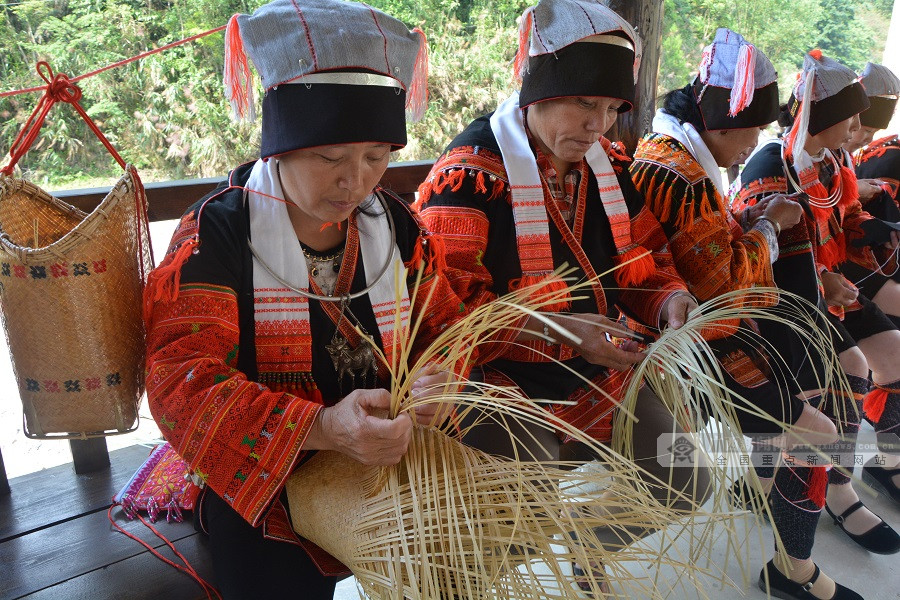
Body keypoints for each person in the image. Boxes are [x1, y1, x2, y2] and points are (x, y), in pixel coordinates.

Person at [142, 1, 462, 597]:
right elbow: (180, 381)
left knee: (457, 553)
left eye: (376, 157)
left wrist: (434, 381)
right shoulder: (215, 234)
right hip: (260, 476)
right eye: (329, 157)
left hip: (385, 464)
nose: (356, 182)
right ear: (280, 147)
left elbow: (446, 330)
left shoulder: (398, 227)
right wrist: (323, 428)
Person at [415, 0, 710, 593]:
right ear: (536, 95)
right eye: (583, 105)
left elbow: (646, 264)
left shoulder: (610, 169)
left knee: (686, 477)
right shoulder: (468, 177)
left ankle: (587, 543)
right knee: (526, 506)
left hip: (595, 366)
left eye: (608, 109)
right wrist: (560, 330)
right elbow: (445, 319)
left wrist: (670, 301)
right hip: (492, 380)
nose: (597, 126)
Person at [631, 29, 874, 600]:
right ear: (721, 119)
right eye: (754, 127)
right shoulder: (683, 174)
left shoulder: (681, 158)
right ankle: (796, 570)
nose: (756, 141)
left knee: (827, 383)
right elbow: (720, 279)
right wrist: (769, 224)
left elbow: (713, 253)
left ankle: (779, 493)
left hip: (724, 323)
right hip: (697, 341)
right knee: (819, 430)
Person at [734, 48, 900, 576]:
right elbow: (761, 262)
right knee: (845, 372)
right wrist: (830, 282)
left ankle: (848, 478)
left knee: (890, 355)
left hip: (824, 292)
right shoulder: (769, 167)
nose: (859, 128)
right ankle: (828, 489)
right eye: (851, 118)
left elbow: (843, 221)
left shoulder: (832, 162)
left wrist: (865, 234)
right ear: (824, 118)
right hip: (778, 304)